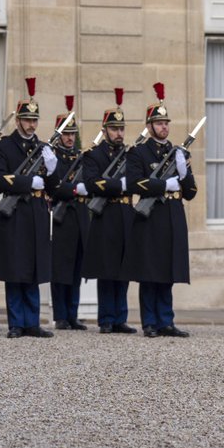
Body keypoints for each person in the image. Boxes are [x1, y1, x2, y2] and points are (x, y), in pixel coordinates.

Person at [123, 83, 197, 338]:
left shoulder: (177, 152)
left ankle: (166, 321)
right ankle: (150, 322)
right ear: (149, 125)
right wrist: (162, 184)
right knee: (150, 271)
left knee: (167, 271)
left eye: (166, 122)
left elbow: (191, 192)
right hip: (150, 216)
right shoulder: (139, 153)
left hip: (172, 215)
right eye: (159, 122)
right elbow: (134, 183)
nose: (164, 127)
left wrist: (185, 173)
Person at [0, 77, 59, 339]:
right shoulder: (3, 146)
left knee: (33, 267)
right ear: (18, 120)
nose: (31, 124)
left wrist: (52, 170)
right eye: (27, 119)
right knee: (14, 267)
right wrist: (29, 181)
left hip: (37, 212)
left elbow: (54, 185)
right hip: (15, 212)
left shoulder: (44, 148)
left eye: (35, 120)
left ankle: (32, 322)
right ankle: (16, 322)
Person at [82, 88, 137, 334]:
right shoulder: (94, 155)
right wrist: (120, 185)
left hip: (126, 214)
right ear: (104, 130)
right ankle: (105, 318)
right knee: (106, 269)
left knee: (124, 268)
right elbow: (92, 182)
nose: (119, 133)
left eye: (121, 129)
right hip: (105, 214)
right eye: (114, 129)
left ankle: (120, 318)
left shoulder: (131, 154)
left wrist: (127, 185)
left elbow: (138, 179)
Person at [49, 96, 89, 331]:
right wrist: (73, 190)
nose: (69, 138)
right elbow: (53, 187)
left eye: (72, 134)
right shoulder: (52, 157)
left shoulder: (81, 157)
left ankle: (73, 314)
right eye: (66, 134)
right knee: (60, 270)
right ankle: (61, 315)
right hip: (61, 219)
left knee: (76, 269)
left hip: (79, 217)